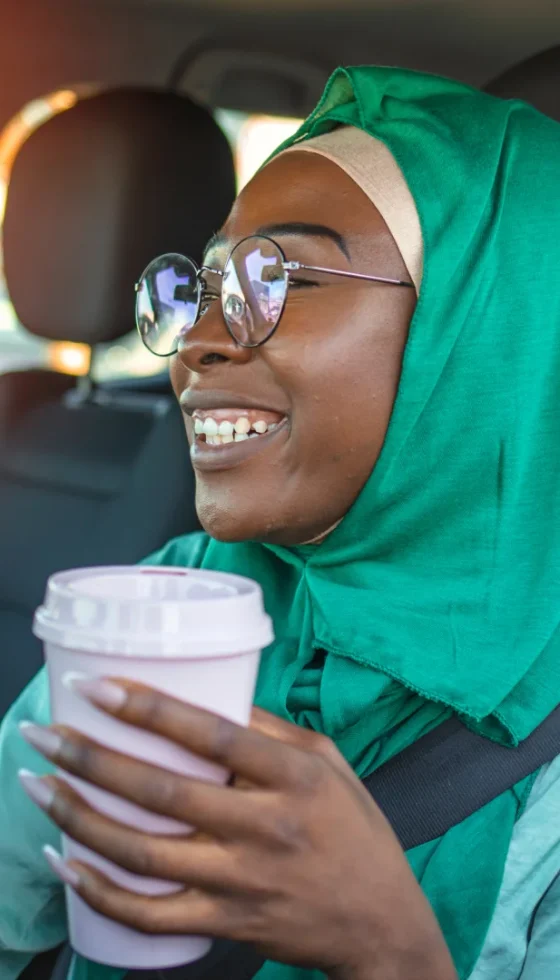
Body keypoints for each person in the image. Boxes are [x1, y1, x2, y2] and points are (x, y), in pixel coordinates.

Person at [2, 64, 560, 980]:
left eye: (278, 278)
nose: (198, 341)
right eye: (206, 283)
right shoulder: (171, 602)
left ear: (476, 333)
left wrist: (388, 950)